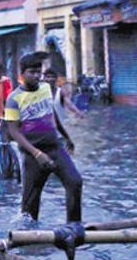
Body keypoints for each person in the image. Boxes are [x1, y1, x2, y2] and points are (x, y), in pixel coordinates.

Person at [5, 52, 83, 222]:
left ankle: (74, 225)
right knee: (30, 206)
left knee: (75, 182)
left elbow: (52, 113)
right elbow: (13, 131)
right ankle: (29, 240)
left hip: (55, 147)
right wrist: (37, 154)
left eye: (38, 72)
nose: (36, 76)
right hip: (32, 155)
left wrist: (66, 136)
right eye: (32, 72)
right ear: (22, 74)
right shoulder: (13, 99)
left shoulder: (46, 88)